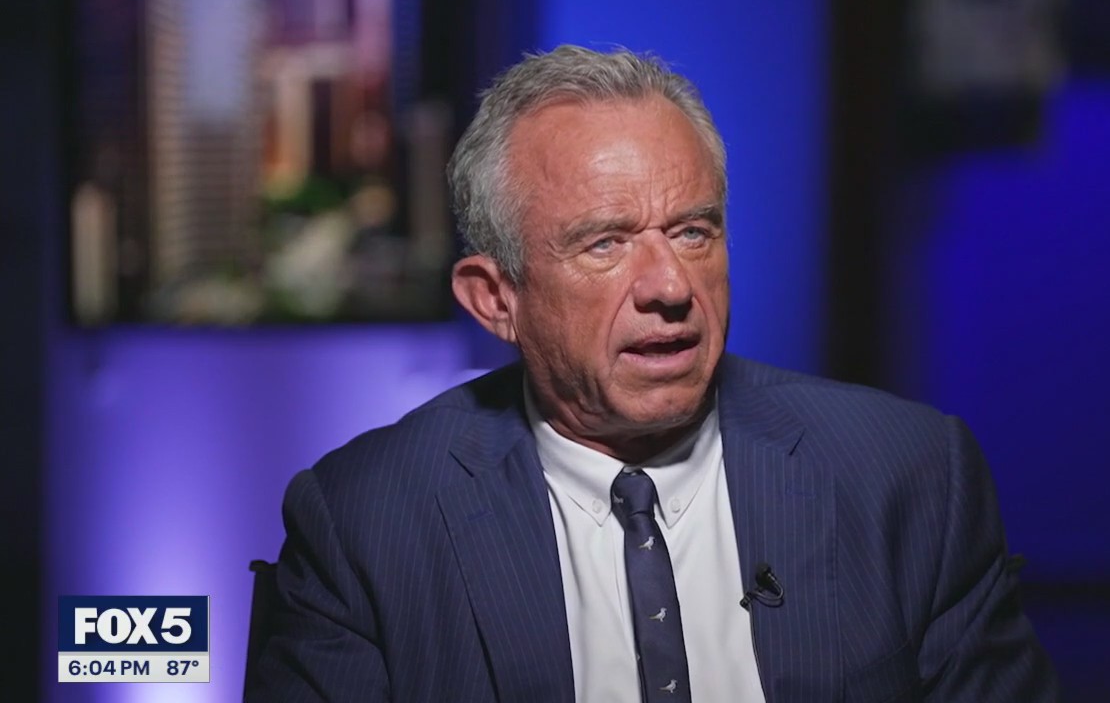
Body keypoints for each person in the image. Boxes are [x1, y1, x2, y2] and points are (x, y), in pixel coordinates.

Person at [248, 44, 1059, 702]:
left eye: (694, 232)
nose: (670, 286)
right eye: (605, 243)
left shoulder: (909, 478)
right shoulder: (366, 523)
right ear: (497, 300)